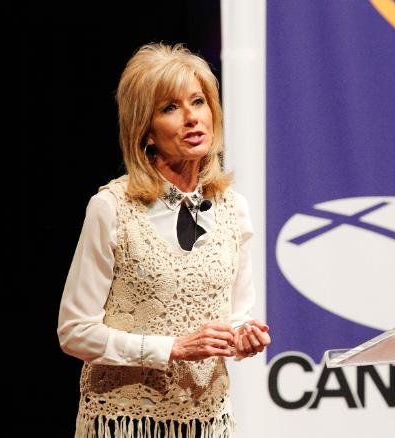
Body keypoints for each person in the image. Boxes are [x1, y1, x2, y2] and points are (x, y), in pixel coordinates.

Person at [57, 42, 270, 438]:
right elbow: (74, 331)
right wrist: (170, 348)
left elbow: (236, 316)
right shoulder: (111, 209)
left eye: (198, 101)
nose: (192, 118)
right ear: (146, 131)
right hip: (126, 424)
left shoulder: (233, 208)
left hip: (209, 423)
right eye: (170, 108)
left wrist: (244, 337)